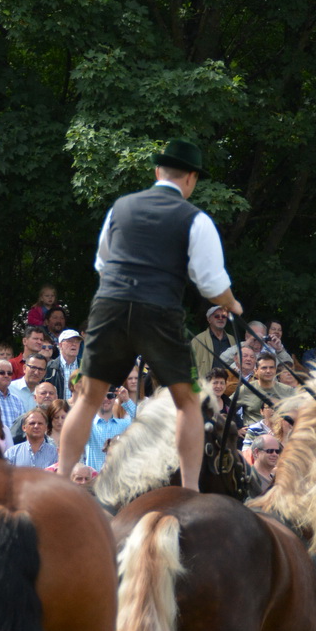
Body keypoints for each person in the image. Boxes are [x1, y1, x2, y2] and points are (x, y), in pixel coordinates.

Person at [56, 138, 241, 487]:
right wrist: (232, 303)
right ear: (191, 179)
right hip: (159, 310)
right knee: (187, 402)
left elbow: (102, 262)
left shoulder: (120, 207)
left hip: (109, 305)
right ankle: (189, 489)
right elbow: (211, 284)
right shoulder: (195, 219)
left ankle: (62, 480)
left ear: (158, 171)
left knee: (88, 397)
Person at [190, 304, 235, 383]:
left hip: (227, 386)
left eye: (224, 316)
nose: (221, 318)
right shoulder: (198, 340)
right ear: (209, 319)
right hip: (205, 386)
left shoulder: (231, 339)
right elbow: (189, 365)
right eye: (217, 316)